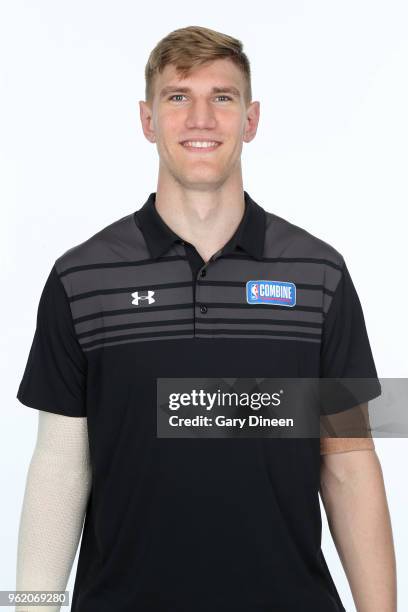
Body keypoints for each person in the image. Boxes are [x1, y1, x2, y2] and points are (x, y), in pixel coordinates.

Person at [15, 25, 396, 612]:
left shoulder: (319, 275)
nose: (200, 118)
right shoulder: (82, 278)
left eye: (222, 97)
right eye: (177, 97)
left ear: (251, 119)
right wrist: (29, 609)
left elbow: (348, 461)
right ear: (147, 120)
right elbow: (61, 464)